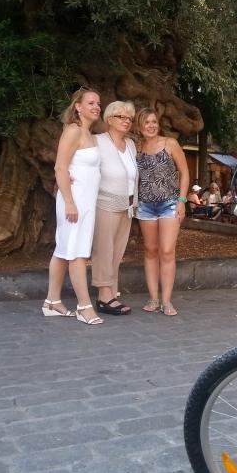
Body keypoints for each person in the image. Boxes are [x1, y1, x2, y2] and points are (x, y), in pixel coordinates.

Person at [43, 88, 103, 325]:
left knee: (63, 250)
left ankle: (52, 302)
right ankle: (84, 306)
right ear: (77, 106)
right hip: (74, 201)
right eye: (91, 102)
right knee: (77, 252)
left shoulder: (90, 134)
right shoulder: (73, 131)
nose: (96, 106)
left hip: (86, 202)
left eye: (98, 103)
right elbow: (60, 167)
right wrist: (69, 201)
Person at [136, 108, 190, 317]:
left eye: (153, 122)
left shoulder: (170, 144)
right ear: (139, 126)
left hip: (169, 204)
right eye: (146, 122)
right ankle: (153, 297)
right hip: (145, 206)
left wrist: (182, 201)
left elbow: (184, 173)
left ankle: (166, 300)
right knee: (150, 250)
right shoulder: (137, 147)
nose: (151, 125)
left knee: (167, 251)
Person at [91, 101, 138, 316]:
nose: (126, 121)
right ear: (109, 119)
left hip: (127, 205)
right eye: (121, 117)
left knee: (117, 252)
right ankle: (104, 296)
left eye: (129, 118)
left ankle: (111, 292)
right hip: (105, 203)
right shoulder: (97, 141)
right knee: (104, 251)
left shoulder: (130, 144)